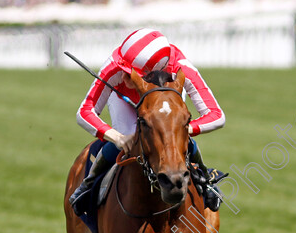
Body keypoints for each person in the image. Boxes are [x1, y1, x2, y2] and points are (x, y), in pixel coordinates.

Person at [70, 28, 226, 212]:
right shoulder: (115, 66)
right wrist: (117, 137)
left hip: (166, 98)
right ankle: (89, 183)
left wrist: (181, 129)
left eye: (131, 73)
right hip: (123, 100)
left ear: (156, 71)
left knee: (173, 135)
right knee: (129, 136)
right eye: (124, 71)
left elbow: (216, 115)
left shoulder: (182, 69)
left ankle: (204, 179)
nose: (124, 76)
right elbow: (85, 111)